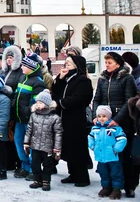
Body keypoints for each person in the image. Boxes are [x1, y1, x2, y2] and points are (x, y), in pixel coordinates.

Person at [92, 51, 138, 197]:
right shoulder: (102, 79)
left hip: (122, 123)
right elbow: (97, 99)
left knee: (123, 156)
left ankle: (128, 186)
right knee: (106, 155)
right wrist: (96, 116)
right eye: (106, 62)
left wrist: (117, 119)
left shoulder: (127, 78)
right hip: (104, 122)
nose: (107, 65)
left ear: (118, 64)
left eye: (110, 62)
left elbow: (128, 101)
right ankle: (108, 185)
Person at [52, 54, 93, 187]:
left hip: (76, 119)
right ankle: (73, 174)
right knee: (69, 148)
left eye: (69, 64)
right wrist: (60, 79)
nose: (66, 66)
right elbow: (56, 94)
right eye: (66, 63)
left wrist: (60, 103)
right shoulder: (67, 79)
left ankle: (82, 177)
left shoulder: (82, 80)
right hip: (65, 118)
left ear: (76, 66)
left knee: (78, 149)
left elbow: (79, 98)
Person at [13, 54, 46, 180]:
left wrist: (26, 111)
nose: (21, 67)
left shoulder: (38, 82)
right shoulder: (22, 78)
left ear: (31, 67)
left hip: (30, 120)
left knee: (31, 145)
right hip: (19, 118)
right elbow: (17, 96)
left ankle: (34, 169)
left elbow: (37, 103)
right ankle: (25, 166)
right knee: (19, 142)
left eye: (24, 65)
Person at [23, 90, 63, 192]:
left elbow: (58, 133)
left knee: (47, 165)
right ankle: (38, 179)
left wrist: (57, 149)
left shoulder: (54, 117)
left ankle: (46, 181)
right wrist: (26, 143)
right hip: (35, 145)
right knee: (35, 164)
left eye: (41, 103)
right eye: (37, 102)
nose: (38, 105)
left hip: (48, 146)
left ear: (46, 104)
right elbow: (29, 130)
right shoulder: (34, 115)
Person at [89, 105, 128, 199]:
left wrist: (116, 149)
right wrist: (92, 146)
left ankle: (116, 189)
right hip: (101, 156)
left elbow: (122, 139)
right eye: (99, 116)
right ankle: (106, 187)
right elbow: (90, 137)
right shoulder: (95, 128)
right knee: (103, 172)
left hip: (112, 156)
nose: (101, 119)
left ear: (109, 116)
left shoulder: (115, 128)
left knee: (116, 173)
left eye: (104, 116)